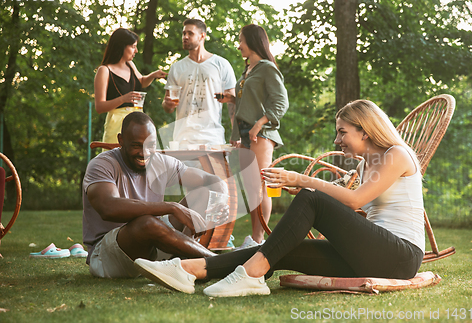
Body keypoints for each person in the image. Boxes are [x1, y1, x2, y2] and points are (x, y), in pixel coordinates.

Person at [133, 99, 425, 297]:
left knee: (311, 197)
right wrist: (307, 190)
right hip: (373, 255)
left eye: (342, 132)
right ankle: (190, 269)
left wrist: (301, 180)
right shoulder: (365, 164)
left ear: (365, 130)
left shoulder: (396, 155)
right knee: (282, 248)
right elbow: (351, 200)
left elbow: (355, 200)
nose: (337, 140)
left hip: (400, 256)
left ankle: (251, 275)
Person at [82, 111, 228, 278]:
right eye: (136, 145)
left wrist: (218, 202)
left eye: (150, 145)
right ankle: (220, 263)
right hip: (108, 256)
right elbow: (108, 207)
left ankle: (184, 262)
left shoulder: (160, 162)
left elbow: (213, 182)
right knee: (146, 222)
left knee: (203, 194)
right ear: (121, 140)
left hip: (151, 245)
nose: (145, 153)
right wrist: (171, 207)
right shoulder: (102, 164)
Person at [222, 24, 288, 249]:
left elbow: (281, 102)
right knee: (250, 188)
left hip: (261, 134)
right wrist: (230, 101)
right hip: (243, 133)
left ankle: (259, 240)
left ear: (252, 41)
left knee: (260, 186)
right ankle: (253, 239)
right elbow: (244, 104)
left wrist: (259, 124)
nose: (238, 45)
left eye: (241, 40)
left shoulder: (267, 68)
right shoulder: (247, 70)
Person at [162, 19, 237, 146]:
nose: (185, 37)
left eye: (190, 33)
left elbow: (233, 102)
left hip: (213, 139)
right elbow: (166, 104)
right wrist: (168, 105)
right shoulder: (177, 67)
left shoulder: (221, 64)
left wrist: (236, 133)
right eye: (184, 33)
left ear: (202, 36)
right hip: (183, 140)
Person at [94, 28, 166, 144]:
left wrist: (153, 76)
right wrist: (123, 99)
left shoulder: (130, 65)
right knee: (116, 160)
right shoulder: (104, 70)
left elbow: (141, 82)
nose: (136, 51)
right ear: (121, 46)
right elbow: (99, 107)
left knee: (141, 158)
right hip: (117, 126)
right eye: (133, 46)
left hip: (138, 123)